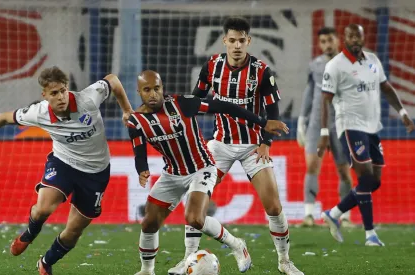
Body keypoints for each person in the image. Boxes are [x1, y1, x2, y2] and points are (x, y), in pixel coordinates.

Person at [0, 66, 133, 275]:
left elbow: (114, 80)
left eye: (63, 90)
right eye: (54, 93)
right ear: (44, 95)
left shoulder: (88, 98)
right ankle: (29, 233)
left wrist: (127, 110)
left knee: (74, 231)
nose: (61, 97)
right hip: (63, 163)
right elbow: (2, 118)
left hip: (96, 172)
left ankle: (46, 262)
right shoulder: (39, 112)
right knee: (43, 208)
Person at [168, 17, 303, 275]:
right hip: (220, 144)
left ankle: (285, 262)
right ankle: (188, 260)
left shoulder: (262, 71)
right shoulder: (211, 67)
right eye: (232, 40)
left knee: (273, 206)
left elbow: (273, 110)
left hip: (253, 145)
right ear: (225, 41)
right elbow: (196, 101)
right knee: (194, 204)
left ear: (248, 41)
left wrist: (266, 142)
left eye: (242, 40)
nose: (237, 45)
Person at [129, 70, 289, 275]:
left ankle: (237, 245)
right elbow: (139, 151)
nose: (153, 94)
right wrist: (142, 170)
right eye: (147, 90)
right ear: (139, 92)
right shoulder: (135, 121)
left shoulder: (183, 104)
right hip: (172, 174)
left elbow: (224, 106)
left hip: (201, 167)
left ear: (163, 88)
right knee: (149, 223)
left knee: (194, 217)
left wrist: (262, 122)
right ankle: (146, 270)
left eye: (157, 89)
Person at [318, 24, 415, 246]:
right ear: (345, 38)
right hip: (350, 126)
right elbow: (325, 100)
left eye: (358, 37)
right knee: (365, 178)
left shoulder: (372, 60)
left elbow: (387, 87)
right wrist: (324, 133)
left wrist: (403, 113)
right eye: (351, 36)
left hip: (372, 127)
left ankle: (334, 213)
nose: (355, 40)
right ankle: (370, 234)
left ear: (363, 38)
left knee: (375, 181)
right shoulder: (335, 66)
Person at [297, 27, 354, 227]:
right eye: (323, 41)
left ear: (338, 40)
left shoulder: (349, 63)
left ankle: (345, 216)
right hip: (315, 124)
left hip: (341, 124)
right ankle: (309, 215)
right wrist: (301, 120)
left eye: (330, 39)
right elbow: (309, 93)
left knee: (344, 170)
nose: (327, 44)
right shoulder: (315, 65)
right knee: (312, 166)